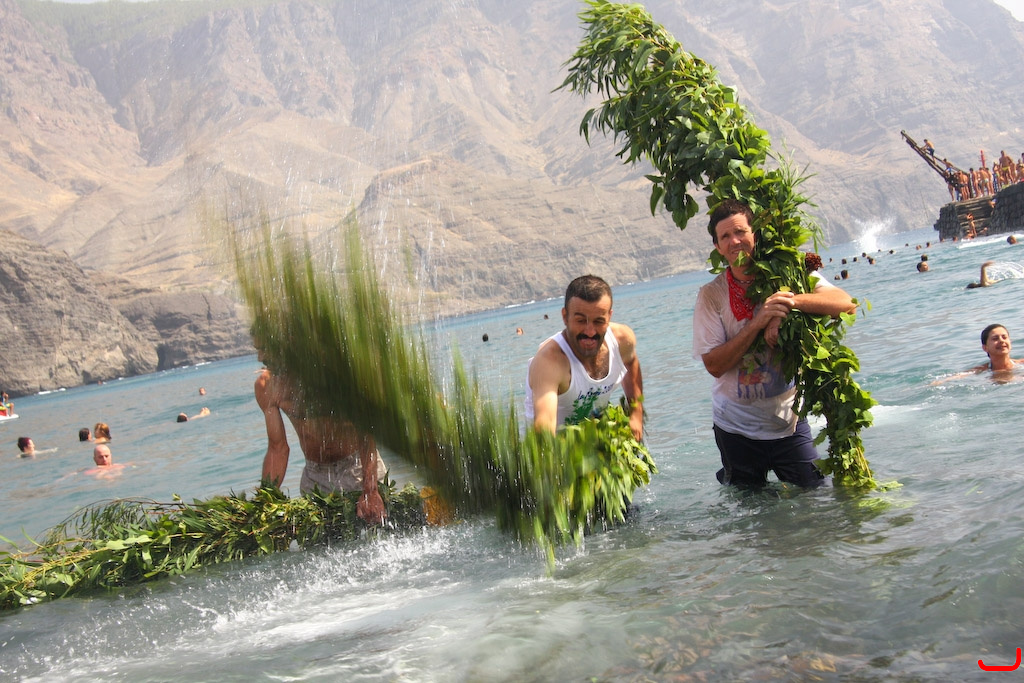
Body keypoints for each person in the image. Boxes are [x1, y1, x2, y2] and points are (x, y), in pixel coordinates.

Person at [692, 199, 856, 489]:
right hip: (735, 428)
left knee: (815, 496)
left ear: (754, 234)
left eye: (740, 232)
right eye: (725, 237)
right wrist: (758, 323)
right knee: (750, 508)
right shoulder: (711, 295)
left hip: (788, 422)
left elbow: (846, 304)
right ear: (718, 247)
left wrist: (787, 304)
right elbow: (714, 365)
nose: (734, 241)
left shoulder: (788, 273)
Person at [255, 366, 387, 524]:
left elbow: (366, 434)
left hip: (358, 467)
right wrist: (264, 500)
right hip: (315, 478)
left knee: (382, 531)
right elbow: (277, 448)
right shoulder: (268, 385)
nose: (261, 357)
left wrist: (370, 490)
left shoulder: (336, 371)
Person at [524, 275, 643, 440]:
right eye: (580, 320)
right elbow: (545, 428)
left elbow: (631, 362)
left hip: (596, 434)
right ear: (565, 316)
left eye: (599, 321)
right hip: (553, 445)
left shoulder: (622, 340)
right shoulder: (550, 361)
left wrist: (636, 414)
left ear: (609, 316)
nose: (590, 332)